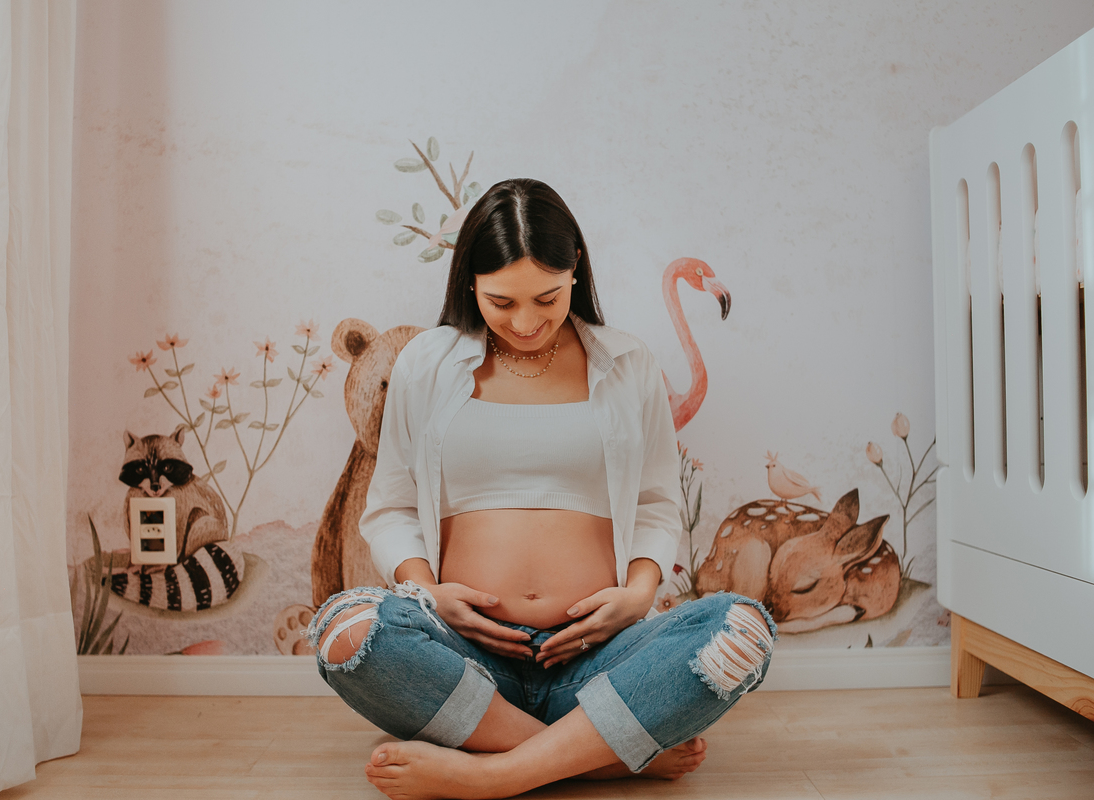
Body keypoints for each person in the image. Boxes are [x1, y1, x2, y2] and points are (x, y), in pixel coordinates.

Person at [305, 178, 775, 800]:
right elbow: (389, 506)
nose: (526, 323)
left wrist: (637, 597)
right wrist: (430, 593)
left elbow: (658, 502)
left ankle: (495, 770)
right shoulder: (426, 363)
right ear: (469, 282)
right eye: (502, 303)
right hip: (466, 656)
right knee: (344, 628)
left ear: (575, 268)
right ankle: (600, 752)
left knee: (742, 627)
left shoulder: (628, 363)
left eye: (546, 299)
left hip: (599, 657)